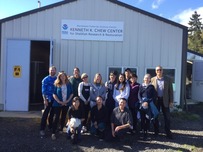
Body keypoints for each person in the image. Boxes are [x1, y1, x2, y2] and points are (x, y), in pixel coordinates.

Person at [151, 65, 174, 139]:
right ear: (155, 71)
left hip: (165, 100)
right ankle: (156, 132)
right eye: (157, 70)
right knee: (155, 117)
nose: (159, 71)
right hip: (156, 101)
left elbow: (171, 91)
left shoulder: (168, 79)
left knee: (167, 117)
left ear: (162, 71)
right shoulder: (152, 80)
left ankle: (168, 132)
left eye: (160, 70)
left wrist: (171, 101)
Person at [51, 72, 73, 140]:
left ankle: (61, 129)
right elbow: (54, 94)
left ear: (66, 77)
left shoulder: (69, 84)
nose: (63, 77)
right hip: (58, 104)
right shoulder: (56, 84)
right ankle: (53, 132)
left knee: (63, 116)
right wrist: (59, 101)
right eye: (61, 76)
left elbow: (72, 93)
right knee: (56, 117)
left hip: (66, 103)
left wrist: (67, 101)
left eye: (64, 76)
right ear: (59, 77)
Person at [138, 74, 157, 139]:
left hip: (148, 105)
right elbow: (139, 95)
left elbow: (154, 96)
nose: (146, 79)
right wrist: (142, 102)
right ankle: (142, 132)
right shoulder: (141, 86)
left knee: (148, 118)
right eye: (145, 78)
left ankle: (147, 132)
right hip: (142, 105)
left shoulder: (151, 87)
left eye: (148, 78)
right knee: (142, 119)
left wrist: (147, 102)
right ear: (144, 79)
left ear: (150, 79)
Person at [40, 66, 57, 136]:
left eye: (53, 70)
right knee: (45, 114)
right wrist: (45, 100)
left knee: (52, 115)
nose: (52, 71)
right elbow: (43, 91)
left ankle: (50, 127)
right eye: (51, 70)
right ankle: (42, 129)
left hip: (55, 100)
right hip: (48, 99)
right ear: (49, 71)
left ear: (55, 71)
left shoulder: (57, 79)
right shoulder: (45, 79)